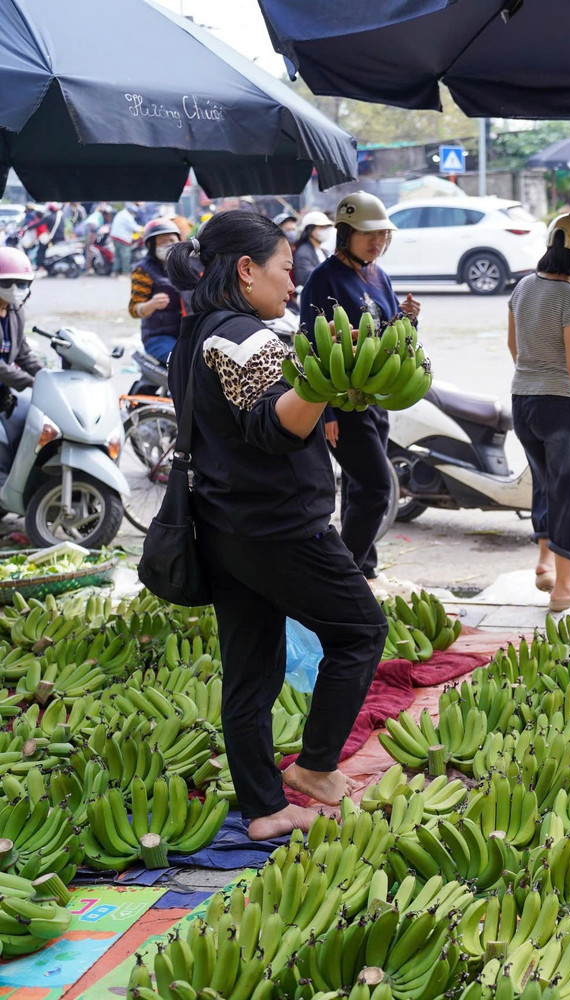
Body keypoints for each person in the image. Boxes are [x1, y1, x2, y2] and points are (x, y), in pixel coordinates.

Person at [162, 210, 386, 839]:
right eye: (286, 270)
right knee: (361, 632)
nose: (293, 286)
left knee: (250, 673)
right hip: (280, 528)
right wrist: (322, 376)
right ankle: (315, 767)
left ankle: (264, 810)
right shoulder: (242, 338)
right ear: (246, 269)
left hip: (224, 528)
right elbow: (275, 428)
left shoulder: (197, 332)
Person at [300, 192, 420, 583]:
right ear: (345, 232)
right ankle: (343, 575)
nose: (377, 243)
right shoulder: (323, 279)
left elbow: (383, 335)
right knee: (376, 487)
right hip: (341, 402)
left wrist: (406, 320)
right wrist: (327, 412)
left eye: (383, 235)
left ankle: (363, 567)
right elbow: (311, 346)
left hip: (375, 398)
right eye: (369, 234)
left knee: (357, 487)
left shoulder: (376, 274)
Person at [507, 213, 570, 614]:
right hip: (563, 407)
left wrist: (533, 377)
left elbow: (514, 347)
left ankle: (546, 564)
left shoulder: (523, 287)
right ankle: (564, 588)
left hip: (524, 400)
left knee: (547, 481)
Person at [0, 248, 43, 468]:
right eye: (7, 283)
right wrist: (29, 381)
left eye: (22, 283)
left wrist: (45, 374)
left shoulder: (16, 311)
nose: (15, 289)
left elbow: (23, 352)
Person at [128, 218, 186, 364]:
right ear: (150, 245)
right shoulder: (143, 270)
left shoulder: (186, 265)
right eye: (162, 242)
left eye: (172, 240)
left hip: (186, 334)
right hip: (159, 337)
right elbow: (134, 309)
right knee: (181, 363)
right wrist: (152, 304)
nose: (168, 245)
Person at [292, 210, 333, 289]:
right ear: (310, 230)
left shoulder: (323, 251)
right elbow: (305, 278)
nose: (325, 230)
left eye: (326, 227)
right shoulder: (303, 252)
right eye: (322, 227)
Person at [111, 202, 140, 276]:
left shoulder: (121, 213)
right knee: (125, 256)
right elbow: (135, 228)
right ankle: (125, 272)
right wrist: (143, 229)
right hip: (122, 238)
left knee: (117, 256)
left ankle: (115, 272)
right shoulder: (127, 216)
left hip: (115, 236)